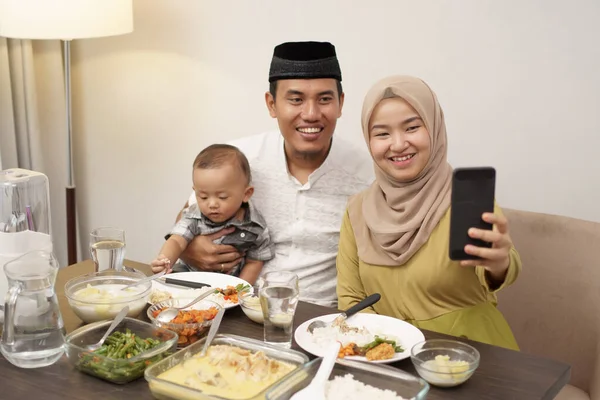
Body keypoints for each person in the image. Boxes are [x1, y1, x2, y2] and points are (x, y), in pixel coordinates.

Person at [174, 42, 374, 307]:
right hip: (235, 309)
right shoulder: (241, 159)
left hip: (319, 319)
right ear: (272, 105)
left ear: (340, 104)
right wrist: (189, 249)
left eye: (325, 99)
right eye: (296, 99)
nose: (311, 114)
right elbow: (186, 215)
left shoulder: (366, 174)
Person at [336, 75, 521, 350]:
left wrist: (499, 263)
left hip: (474, 356)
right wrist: (388, 351)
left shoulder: (465, 198)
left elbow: (498, 269)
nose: (398, 144)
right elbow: (351, 301)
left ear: (434, 128)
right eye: (382, 133)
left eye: (412, 127)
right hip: (391, 358)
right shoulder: (358, 211)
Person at [151, 144, 273, 285]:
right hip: (187, 280)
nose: (212, 204)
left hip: (226, 288)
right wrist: (164, 260)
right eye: (203, 197)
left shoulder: (255, 227)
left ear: (246, 194)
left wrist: (239, 290)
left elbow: (255, 262)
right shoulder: (194, 217)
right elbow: (176, 241)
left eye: (222, 197)